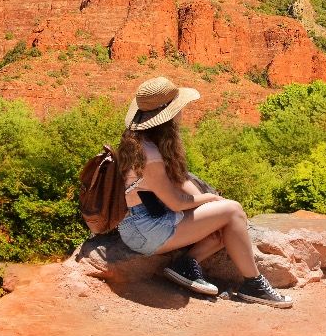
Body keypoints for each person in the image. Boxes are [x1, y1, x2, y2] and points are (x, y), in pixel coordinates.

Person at [116, 76, 291, 308]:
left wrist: (212, 206)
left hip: (147, 222)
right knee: (233, 211)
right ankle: (253, 284)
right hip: (146, 230)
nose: (183, 113)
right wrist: (211, 198)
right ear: (168, 116)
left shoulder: (144, 141)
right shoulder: (150, 154)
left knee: (226, 221)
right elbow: (177, 203)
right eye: (179, 109)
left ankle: (186, 264)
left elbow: (180, 181)